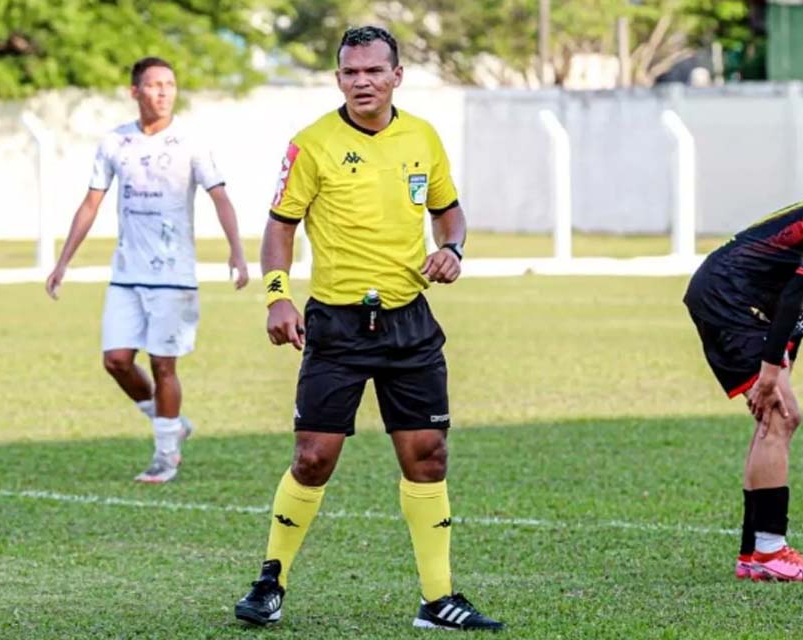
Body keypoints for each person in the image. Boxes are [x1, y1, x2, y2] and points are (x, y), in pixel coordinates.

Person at [232, 26, 502, 632]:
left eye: (374, 71)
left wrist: (452, 249)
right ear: (338, 79)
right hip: (337, 323)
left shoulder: (422, 137)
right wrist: (277, 298)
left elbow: (447, 209)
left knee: (427, 457)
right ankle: (270, 582)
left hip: (409, 322)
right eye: (351, 73)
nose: (362, 83)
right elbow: (280, 227)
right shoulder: (312, 144)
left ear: (396, 76)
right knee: (313, 457)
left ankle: (438, 600)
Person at [45, 56, 249, 483]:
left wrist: (237, 251)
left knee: (163, 365)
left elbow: (220, 198)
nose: (163, 92)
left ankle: (165, 454)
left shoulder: (191, 144)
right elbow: (91, 203)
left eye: (170, 85)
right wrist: (63, 260)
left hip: (173, 276)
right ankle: (171, 422)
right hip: (125, 274)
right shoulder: (114, 143)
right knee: (116, 361)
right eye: (154, 85)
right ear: (134, 92)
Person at [683, 190, 803, 582]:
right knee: (780, 416)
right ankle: (769, 552)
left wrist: (783, 352)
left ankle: (754, 554)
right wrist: (769, 368)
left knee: (777, 417)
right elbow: (800, 290)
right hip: (732, 299)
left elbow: (802, 291)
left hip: (742, 298)